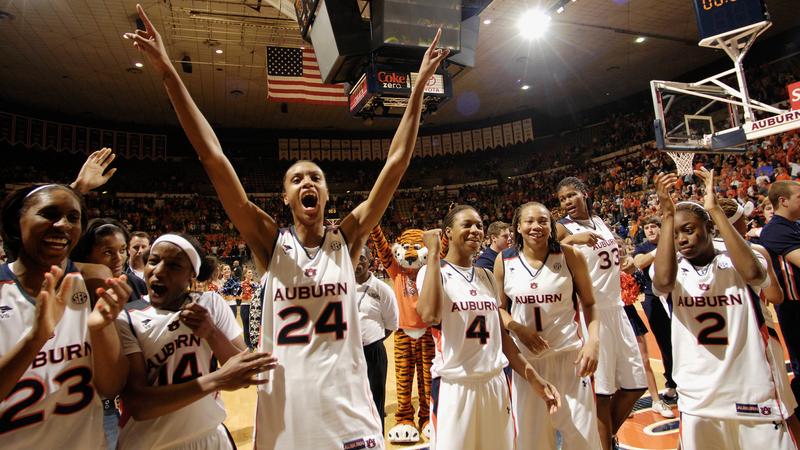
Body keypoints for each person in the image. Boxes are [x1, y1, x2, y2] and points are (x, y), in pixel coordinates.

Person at [125, 5, 449, 447]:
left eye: (315, 177)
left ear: (327, 194)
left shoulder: (347, 238)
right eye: (297, 178)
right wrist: (168, 73)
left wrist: (415, 92)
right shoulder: (268, 242)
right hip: (287, 418)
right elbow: (212, 158)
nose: (307, 181)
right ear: (286, 197)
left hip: (350, 415)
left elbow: (396, 163)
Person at [651, 170, 796, 450]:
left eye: (689, 229)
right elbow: (663, 281)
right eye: (676, 233)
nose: (682, 239)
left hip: (750, 389)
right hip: (699, 394)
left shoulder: (739, 256)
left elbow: (754, 274)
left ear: (708, 227)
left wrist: (715, 209)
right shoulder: (672, 266)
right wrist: (668, 216)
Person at [416, 205, 561, 450]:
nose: (475, 230)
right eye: (467, 225)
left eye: (479, 226)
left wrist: (535, 379)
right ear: (448, 232)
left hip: (495, 383)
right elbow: (429, 315)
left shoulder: (487, 276)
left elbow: (502, 340)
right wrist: (432, 254)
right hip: (455, 387)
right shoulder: (434, 271)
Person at [115, 233, 276, 450]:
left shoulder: (210, 303)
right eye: (153, 261)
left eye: (173, 266)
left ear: (192, 274)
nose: (159, 271)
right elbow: (139, 405)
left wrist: (211, 333)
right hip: (150, 443)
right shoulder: (127, 317)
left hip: (209, 437)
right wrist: (217, 379)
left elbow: (245, 375)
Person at [0, 184, 130, 448]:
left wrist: (101, 330)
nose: (62, 225)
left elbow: (111, 386)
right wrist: (34, 341)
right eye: (49, 214)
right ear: (16, 223)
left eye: (73, 218)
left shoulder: (93, 279)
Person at [494, 201, 601, 450]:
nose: (536, 226)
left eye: (543, 221)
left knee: (582, 438)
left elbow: (589, 303)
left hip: (569, 358)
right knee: (533, 442)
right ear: (517, 227)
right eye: (529, 221)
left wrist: (593, 341)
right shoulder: (504, 260)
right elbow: (499, 309)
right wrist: (517, 327)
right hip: (528, 365)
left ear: (551, 226)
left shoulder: (569, 256)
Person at [555, 176, 647, 450]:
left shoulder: (601, 222)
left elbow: (610, 258)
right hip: (590, 312)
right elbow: (544, 254)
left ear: (585, 193)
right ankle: (602, 445)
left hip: (616, 308)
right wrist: (572, 238)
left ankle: (599, 440)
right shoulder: (562, 228)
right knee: (602, 392)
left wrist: (626, 259)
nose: (567, 202)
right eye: (562, 199)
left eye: (571, 195)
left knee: (635, 384)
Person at [70, 217, 149, 449]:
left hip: (125, 400)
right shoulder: (74, 288)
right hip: (87, 402)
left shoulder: (134, 283)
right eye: (107, 252)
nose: (118, 259)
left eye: (122, 250)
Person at [752, 180, 800, 417]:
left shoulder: (793, 225)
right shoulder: (776, 229)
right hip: (794, 308)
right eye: (799, 197)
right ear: (783, 201)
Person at [619, 240, 675, 420]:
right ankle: (619, 401)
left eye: (621, 246)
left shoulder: (632, 268)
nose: (618, 249)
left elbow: (638, 291)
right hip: (611, 314)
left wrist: (632, 274)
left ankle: (656, 401)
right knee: (615, 360)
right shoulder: (600, 268)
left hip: (629, 312)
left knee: (644, 359)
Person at [632, 216, 678, 403]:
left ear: (661, 228)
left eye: (653, 226)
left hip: (675, 294)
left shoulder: (674, 242)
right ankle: (672, 383)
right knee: (664, 342)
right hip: (653, 298)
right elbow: (639, 262)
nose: (650, 230)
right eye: (647, 228)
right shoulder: (643, 248)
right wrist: (661, 250)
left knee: (683, 339)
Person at [355, 245, 399, 433]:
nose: (357, 263)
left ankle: (377, 438)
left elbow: (391, 324)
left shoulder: (382, 289)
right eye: (354, 258)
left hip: (373, 352)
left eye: (362, 258)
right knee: (350, 400)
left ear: (370, 261)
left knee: (375, 398)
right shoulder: (339, 287)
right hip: (346, 353)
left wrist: (373, 339)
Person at [239, 267, 258, 349]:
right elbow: (236, 296)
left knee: (254, 325)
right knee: (246, 326)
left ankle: (255, 343)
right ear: (245, 274)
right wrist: (243, 296)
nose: (250, 273)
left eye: (251, 272)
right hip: (245, 306)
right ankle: (248, 345)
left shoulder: (255, 284)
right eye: (249, 272)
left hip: (254, 307)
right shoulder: (241, 284)